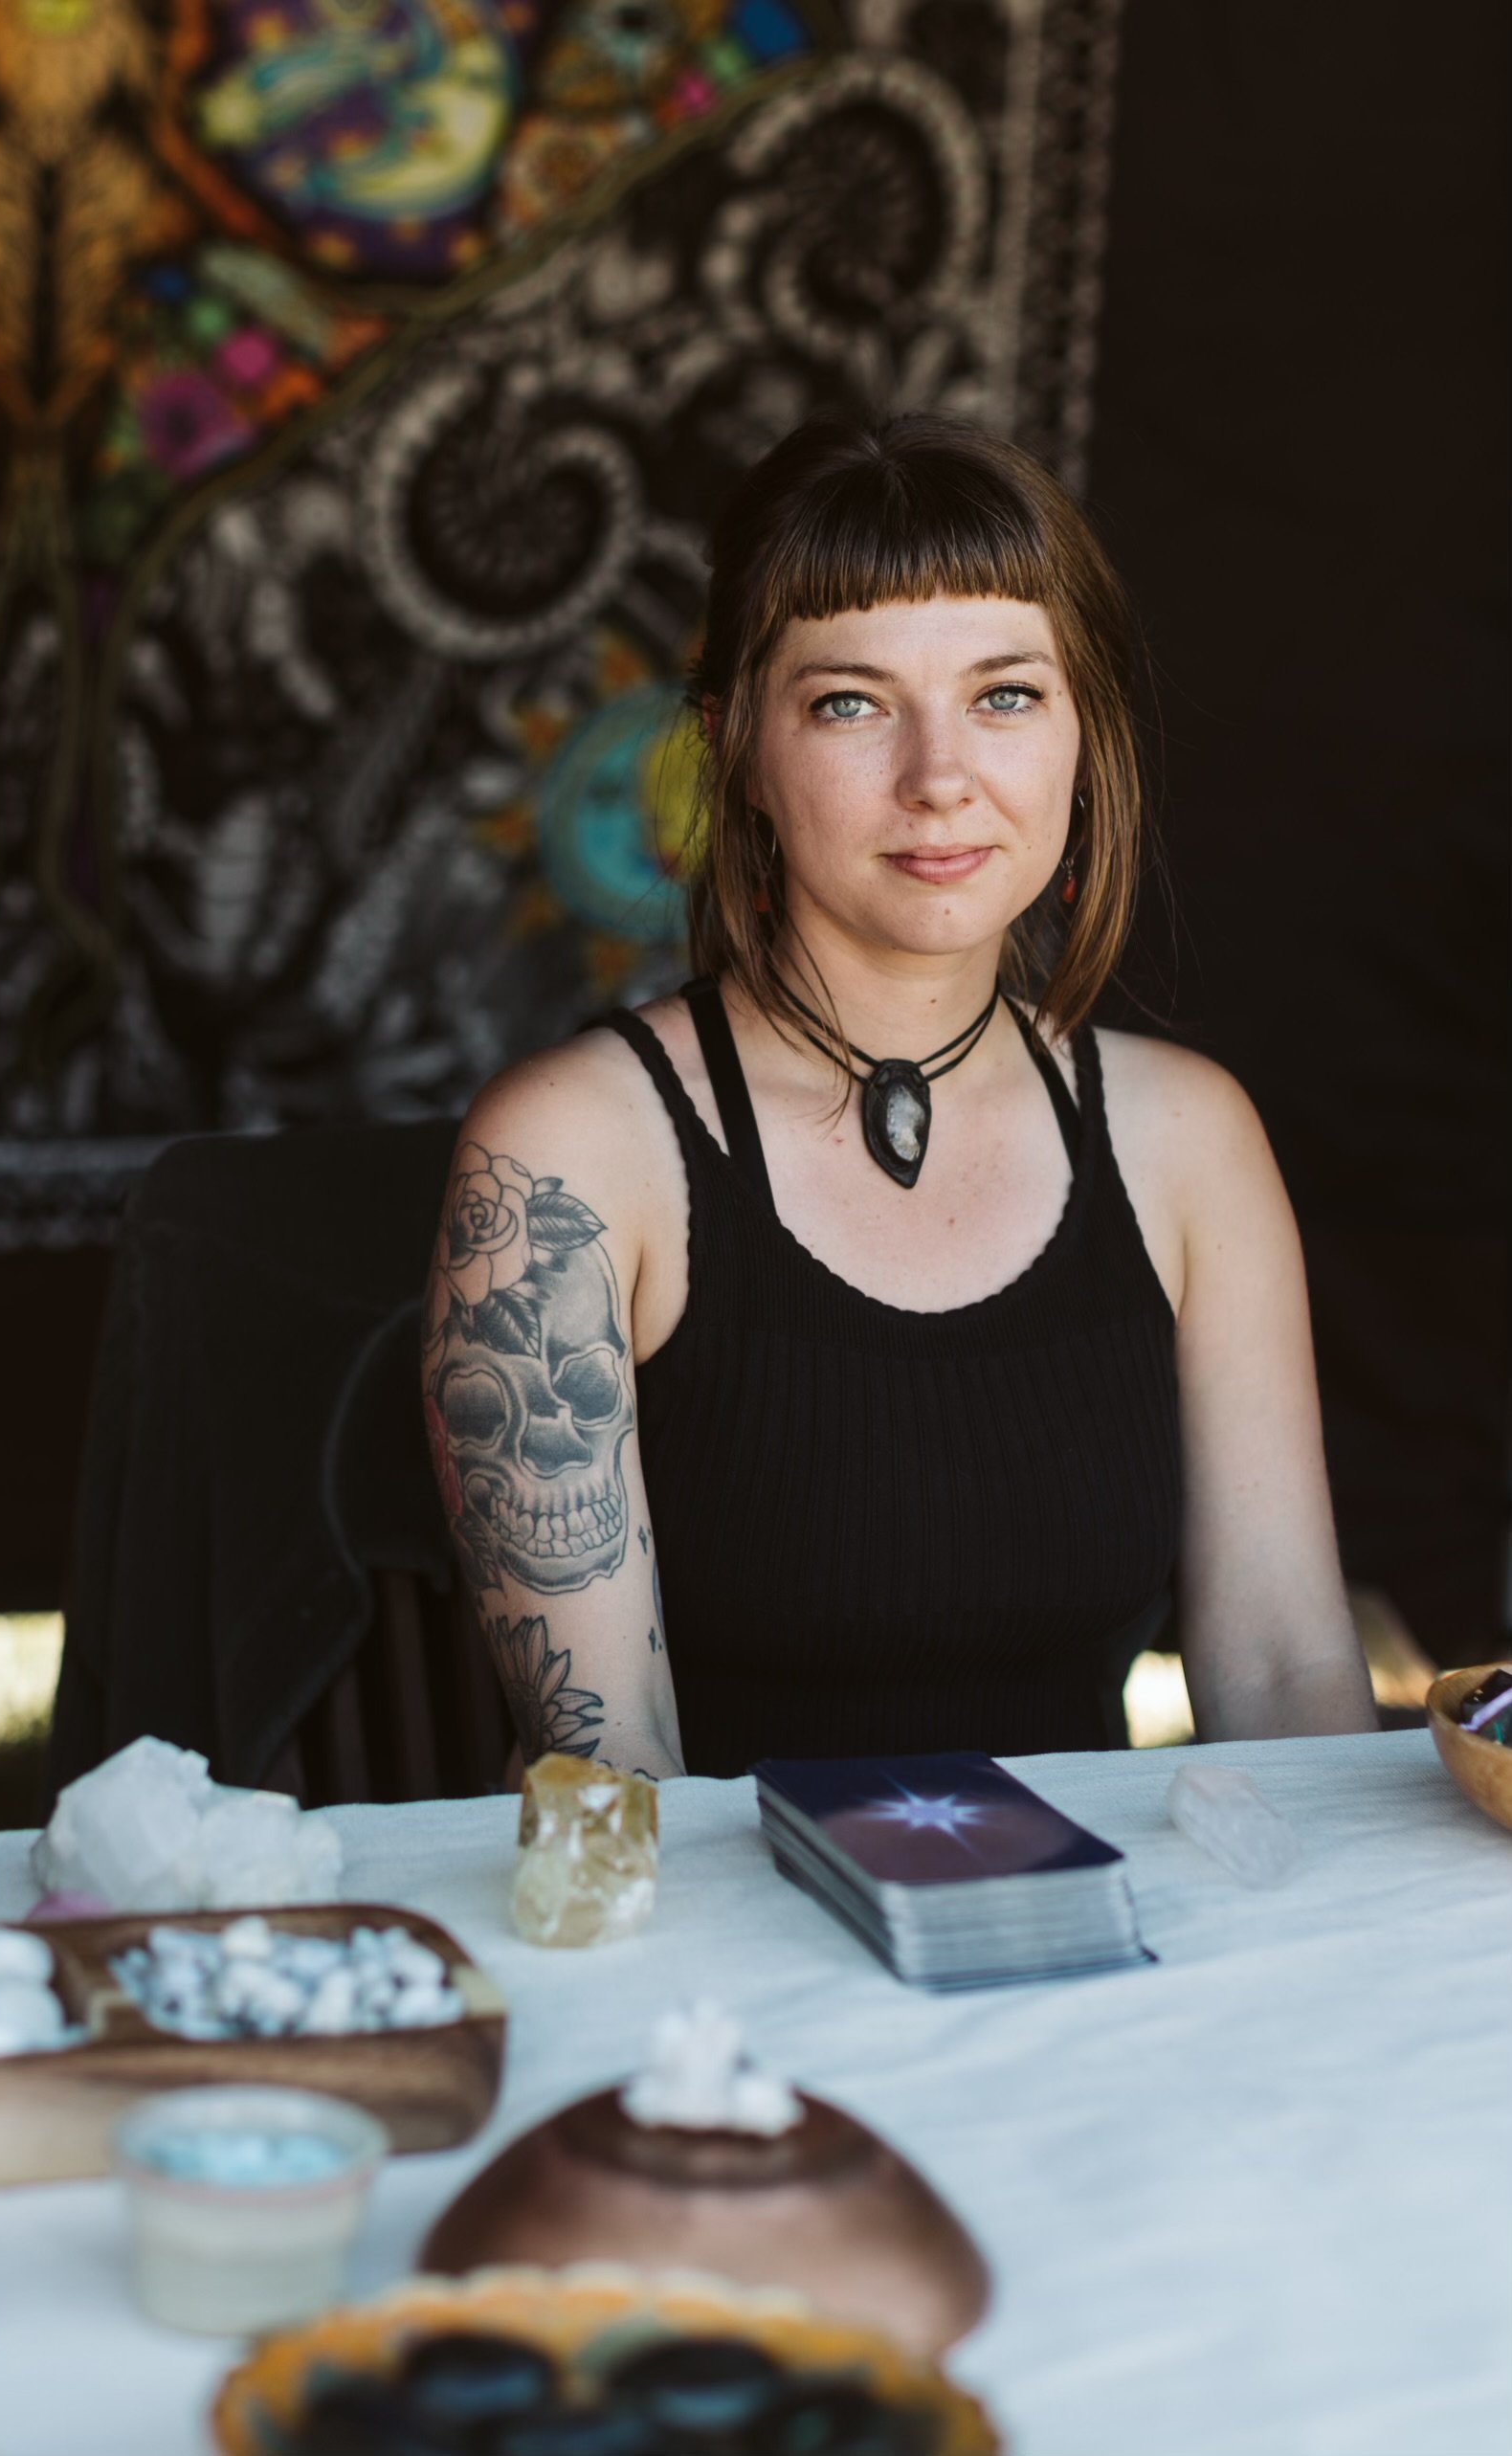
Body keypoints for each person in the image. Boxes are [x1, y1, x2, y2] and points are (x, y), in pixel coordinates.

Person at [421, 414, 1377, 1779]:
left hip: (1101, 1953)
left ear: (1081, 735)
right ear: (734, 746)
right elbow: (602, 1764)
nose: (941, 779)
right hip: (730, 1975)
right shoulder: (569, 1157)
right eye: (849, 702)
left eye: (1003, 694)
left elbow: (1282, 1666)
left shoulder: (1187, 1140)